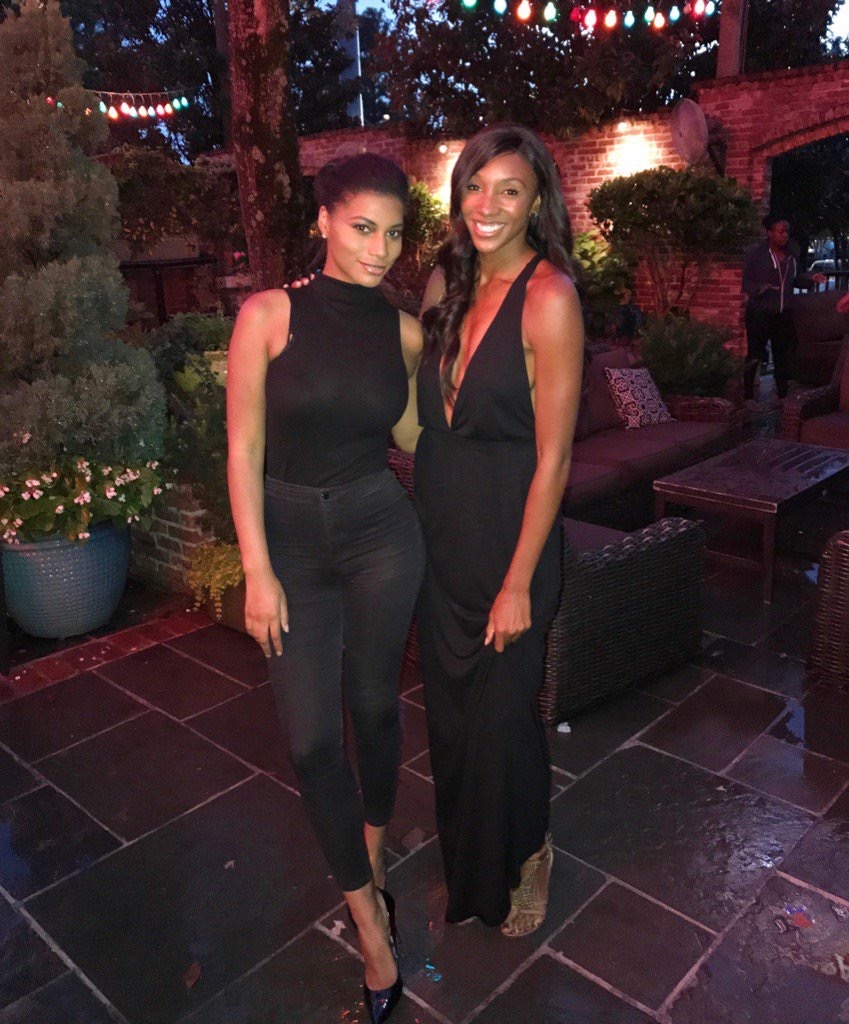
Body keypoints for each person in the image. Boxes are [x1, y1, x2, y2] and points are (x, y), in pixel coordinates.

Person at [226, 153, 425, 1024]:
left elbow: (413, 435)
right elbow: (242, 449)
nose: (379, 249)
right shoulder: (269, 315)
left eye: (393, 233)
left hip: (381, 531)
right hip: (291, 543)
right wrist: (257, 569)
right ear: (323, 222)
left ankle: (369, 866)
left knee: (375, 709)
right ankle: (370, 923)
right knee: (311, 742)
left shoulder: (404, 332)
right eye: (362, 228)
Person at [416, 124, 585, 937]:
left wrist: (519, 581)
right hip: (439, 531)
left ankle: (527, 853)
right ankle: (469, 866)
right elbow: (421, 417)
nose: (486, 205)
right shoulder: (443, 281)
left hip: (511, 536)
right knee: (450, 719)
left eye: (508, 190)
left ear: (536, 202)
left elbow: (555, 459)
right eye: (475, 186)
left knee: (504, 722)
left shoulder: (549, 299)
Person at [742, 214, 825, 406]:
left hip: (783, 312)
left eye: (787, 231)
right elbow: (745, 282)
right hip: (760, 312)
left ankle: (782, 395)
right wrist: (760, 288)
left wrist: (810, 278)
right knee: (755, 353)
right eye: (780, 231)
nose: (784, 235)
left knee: (782, 354)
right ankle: (748, 395)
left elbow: (795, 280)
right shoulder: (756, 255)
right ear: (770, 233)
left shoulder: (791, 255)